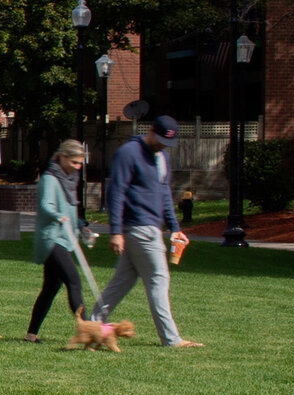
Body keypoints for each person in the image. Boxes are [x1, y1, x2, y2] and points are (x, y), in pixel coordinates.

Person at [96, 114, 202, 349]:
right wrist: (115, 231)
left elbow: (164, 194)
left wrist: (174, 227)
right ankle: (171, 339)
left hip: (152, 227)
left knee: (122, 282)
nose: (165, 145)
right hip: (138, 227)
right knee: (159, 279)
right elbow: (116, 193)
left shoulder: (161, 157)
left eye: (168, 142)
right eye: (162, 139)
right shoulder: (128, 153)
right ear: (151, 130)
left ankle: (92, 323)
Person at [26, 139, 91, 341]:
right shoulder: (50, 179)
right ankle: (88, 330)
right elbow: (46, 205)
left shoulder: (71, 178)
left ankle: (31, 335)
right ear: (62, 157)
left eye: (80, 163)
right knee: (74, 280)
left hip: (66, 238)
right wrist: (57, 216)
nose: (77, 167)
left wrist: (80, 224)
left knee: (50, 289)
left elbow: (71, 208)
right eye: (74, 162)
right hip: (52, 239)